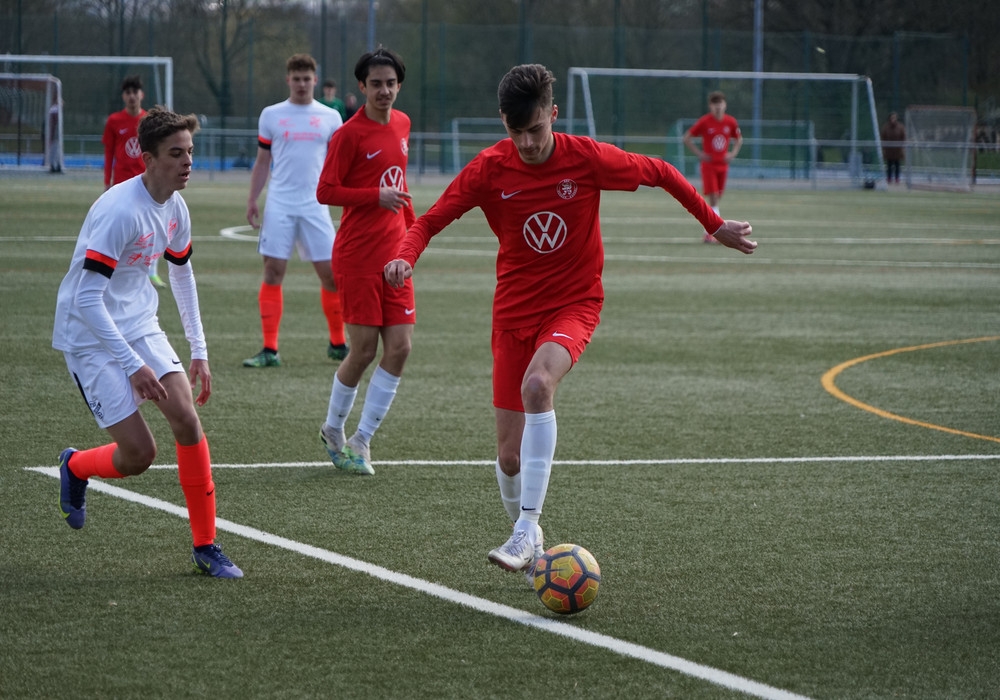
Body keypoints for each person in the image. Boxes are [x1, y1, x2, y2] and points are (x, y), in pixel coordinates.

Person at [385, 64, 755, 581]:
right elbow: (428, 222)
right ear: (503, 123)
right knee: (509, 459)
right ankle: (529, 537)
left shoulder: (586, 158)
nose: (527, 143)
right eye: (516, 132)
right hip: (512, 313)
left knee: (539, 385)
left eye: (536, 129)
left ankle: (526, 527)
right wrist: (405, 255)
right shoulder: (489, 169)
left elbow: (662, 171)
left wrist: (714, 225)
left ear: (553, 114)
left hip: (574, 304)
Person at [52, 106, 242, 579]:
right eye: (176, 154)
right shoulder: (121, 211)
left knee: (187, 419)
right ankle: (76, 467)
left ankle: (206, 545)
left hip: (138, 323)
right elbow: (87, 299)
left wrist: (199, 349)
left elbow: (181, 273)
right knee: (140, 456)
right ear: (148, 159)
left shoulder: (176, 207)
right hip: (89, 335)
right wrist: (132, 365)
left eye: (190, 152)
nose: (187, 162)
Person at [315, 47, 415, 476]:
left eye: (390, 83)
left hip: (394, 257)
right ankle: (333, 429)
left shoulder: (403, 124)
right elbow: (325, 190)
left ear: (399, 85)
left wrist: (412, 242)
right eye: (376, 84)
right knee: (363, 350)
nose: (384, 91)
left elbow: (401, 187)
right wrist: (374, 196)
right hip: (356, 256)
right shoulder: (348, 135)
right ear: (362, 86)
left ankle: (362, 440)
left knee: (401, 348)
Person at [243, 54, 347, 368]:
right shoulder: (271, 115)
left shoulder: (331, 117)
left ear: (315, 80)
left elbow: (340, 163)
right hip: (280, 203)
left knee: (332, 275)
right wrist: (252, 199)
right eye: (296, 79)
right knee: (273, 271)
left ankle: (338, 343)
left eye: (307, 79)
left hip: (316, 204)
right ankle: (270, 349)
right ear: (288, 80)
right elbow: (263, 162)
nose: (302, 84)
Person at [103, 75, 163, 287]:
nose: (131, 96)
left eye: (134, 92)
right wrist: (107, 181)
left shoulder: (149, 121)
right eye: (127, 92)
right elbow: (109, 152)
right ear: (123, 96)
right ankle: (117, 268)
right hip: (121, 182)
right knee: (122, 225)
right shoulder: (114, 121)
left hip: (147, 182)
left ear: (141, 94)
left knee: (153, 225)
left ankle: (152, 272)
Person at [683, 91, 742, 242]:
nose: (718, 107)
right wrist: (700, 154)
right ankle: (711, 233)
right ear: (710, 106)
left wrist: (732, 154)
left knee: (717, 198)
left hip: (723, 166)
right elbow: (687, 138)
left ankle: (709, 231)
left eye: (720, 103)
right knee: (714, 198)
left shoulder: (730, 122)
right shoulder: (705, 121)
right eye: (715, 104)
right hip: (709, 165)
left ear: (725, 105)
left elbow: (738, 139)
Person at [881, 111, 905, 184]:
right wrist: (884, 148)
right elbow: (883, 138)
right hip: (889, 150)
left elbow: (903, 137)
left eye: (894, 118)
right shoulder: (886, 127)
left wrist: (902, 148)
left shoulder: (900, 127)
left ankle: (897, 179)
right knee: (889, 165)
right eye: (892, 118)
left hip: (897, 150)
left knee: (897, 165)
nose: (893, 119)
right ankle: (889, 178)